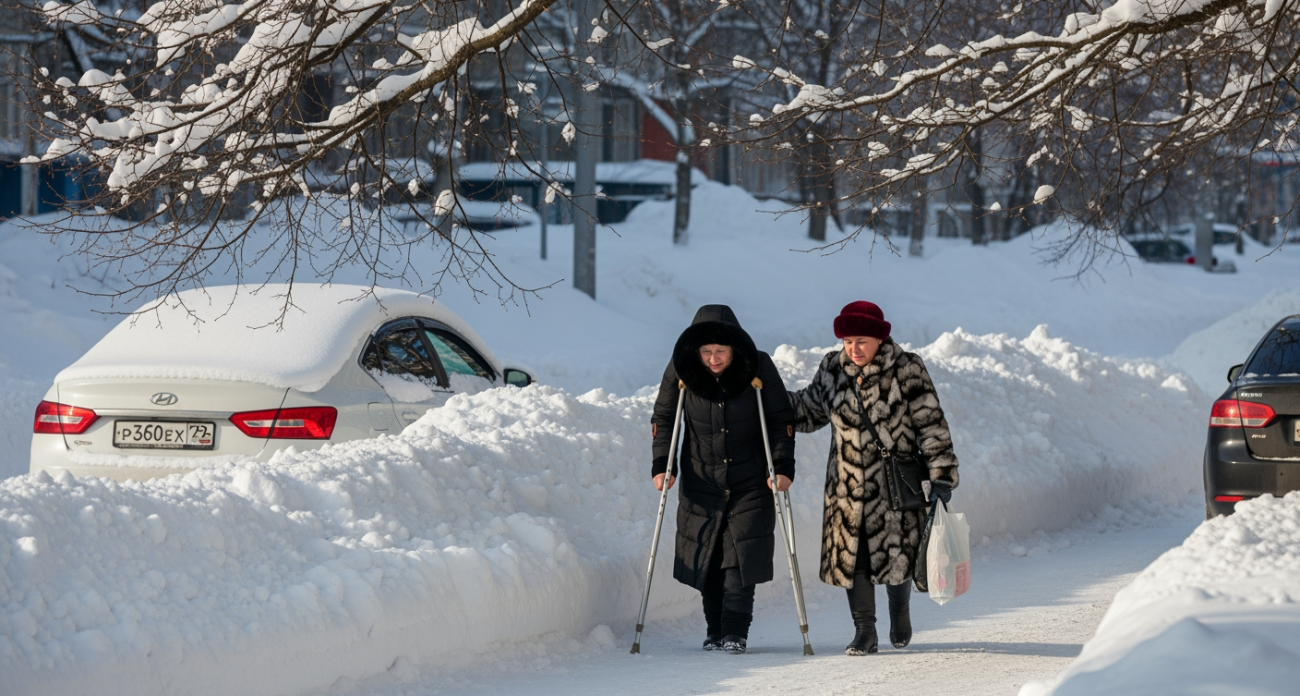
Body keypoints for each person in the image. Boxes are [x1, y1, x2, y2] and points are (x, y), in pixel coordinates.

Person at [788, 301, 959, 656]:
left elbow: (931, 423)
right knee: (856, 558)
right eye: (848, 341)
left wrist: (941, 474)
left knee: (897, 555)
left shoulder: (907, 368)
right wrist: (768, 396)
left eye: (861, 341)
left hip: (895, 486)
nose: (854, 349)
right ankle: (865, 630)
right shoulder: (832, 369)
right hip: (846, 487)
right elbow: (808, 411)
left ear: (880, 339)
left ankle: (900, 611)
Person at [651, 305, 796, 655]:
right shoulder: (682, 369)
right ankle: (714, 630)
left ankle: (734, 631)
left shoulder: (758, 366)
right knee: (709, 556)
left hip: (751, 479)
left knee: (739, 558)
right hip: (701, 479)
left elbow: (780, 419)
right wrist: (662, 464)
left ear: (734, 348)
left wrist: (781, 466)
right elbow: (665, 417)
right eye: (706, 351)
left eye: (721, 351)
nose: (713, 359)